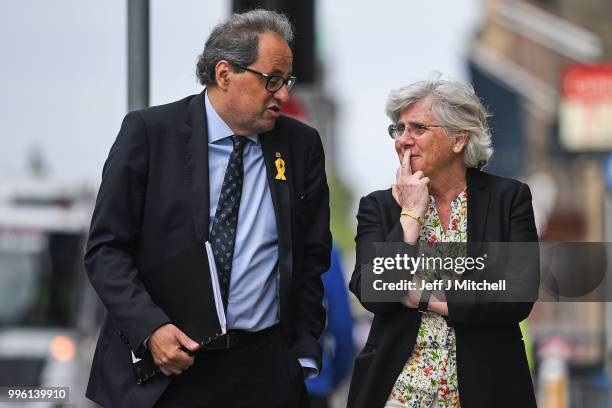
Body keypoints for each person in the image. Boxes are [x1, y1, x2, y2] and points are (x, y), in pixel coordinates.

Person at [84, 9, 331, 408]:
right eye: (272, 80)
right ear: (224, 74)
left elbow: (312, 258)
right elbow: (105, 250)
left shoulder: (301, 147)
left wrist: (299, 358)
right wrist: (151, 329)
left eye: (287, 81)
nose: (283, 95)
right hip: (166, 370)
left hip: (263, 374)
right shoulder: (149, 134)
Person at [347, 78, 539, 408]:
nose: (403, 140)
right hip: (400, 392)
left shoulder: (509, 198)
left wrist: (424, 297)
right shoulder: (379, 206)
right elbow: (372, 291)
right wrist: (410, 215)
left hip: (488, 389)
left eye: (417, 128)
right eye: (398, 129)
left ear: (458, 138)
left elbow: (518, 293)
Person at [306, 245, 354, 408]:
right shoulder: (324, 247)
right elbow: (342, 324)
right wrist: (336, 376)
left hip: (259, 381)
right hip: (313, 379)